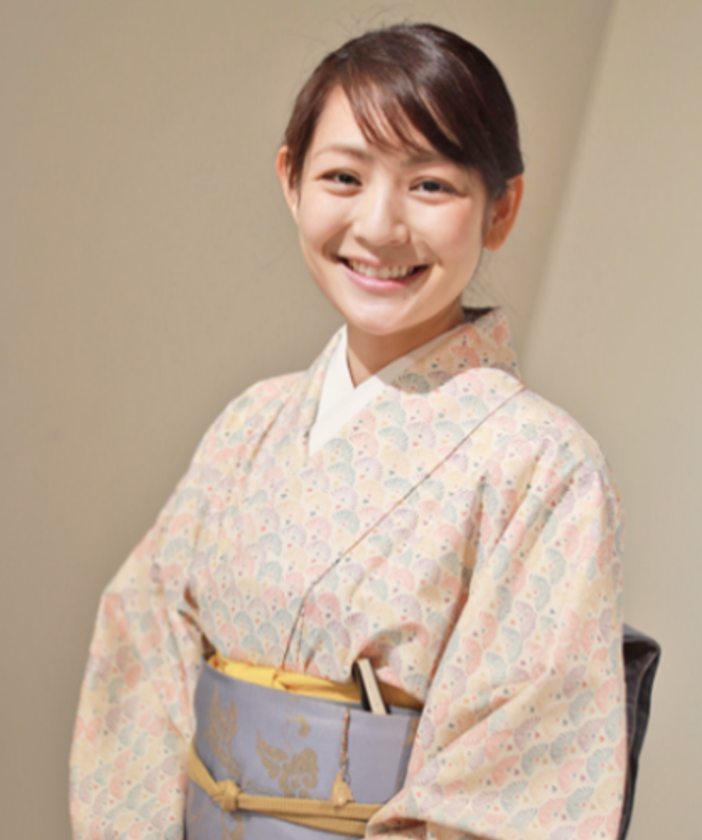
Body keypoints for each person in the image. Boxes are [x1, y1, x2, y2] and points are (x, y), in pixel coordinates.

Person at [70, 23, 627, 840]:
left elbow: (518, 779)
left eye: (430, 185)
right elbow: (143, 654)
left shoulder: (542, 467)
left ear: (501, 209)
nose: (379, 225)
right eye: (343, 177)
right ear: (290, 180)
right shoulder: (251, 423)